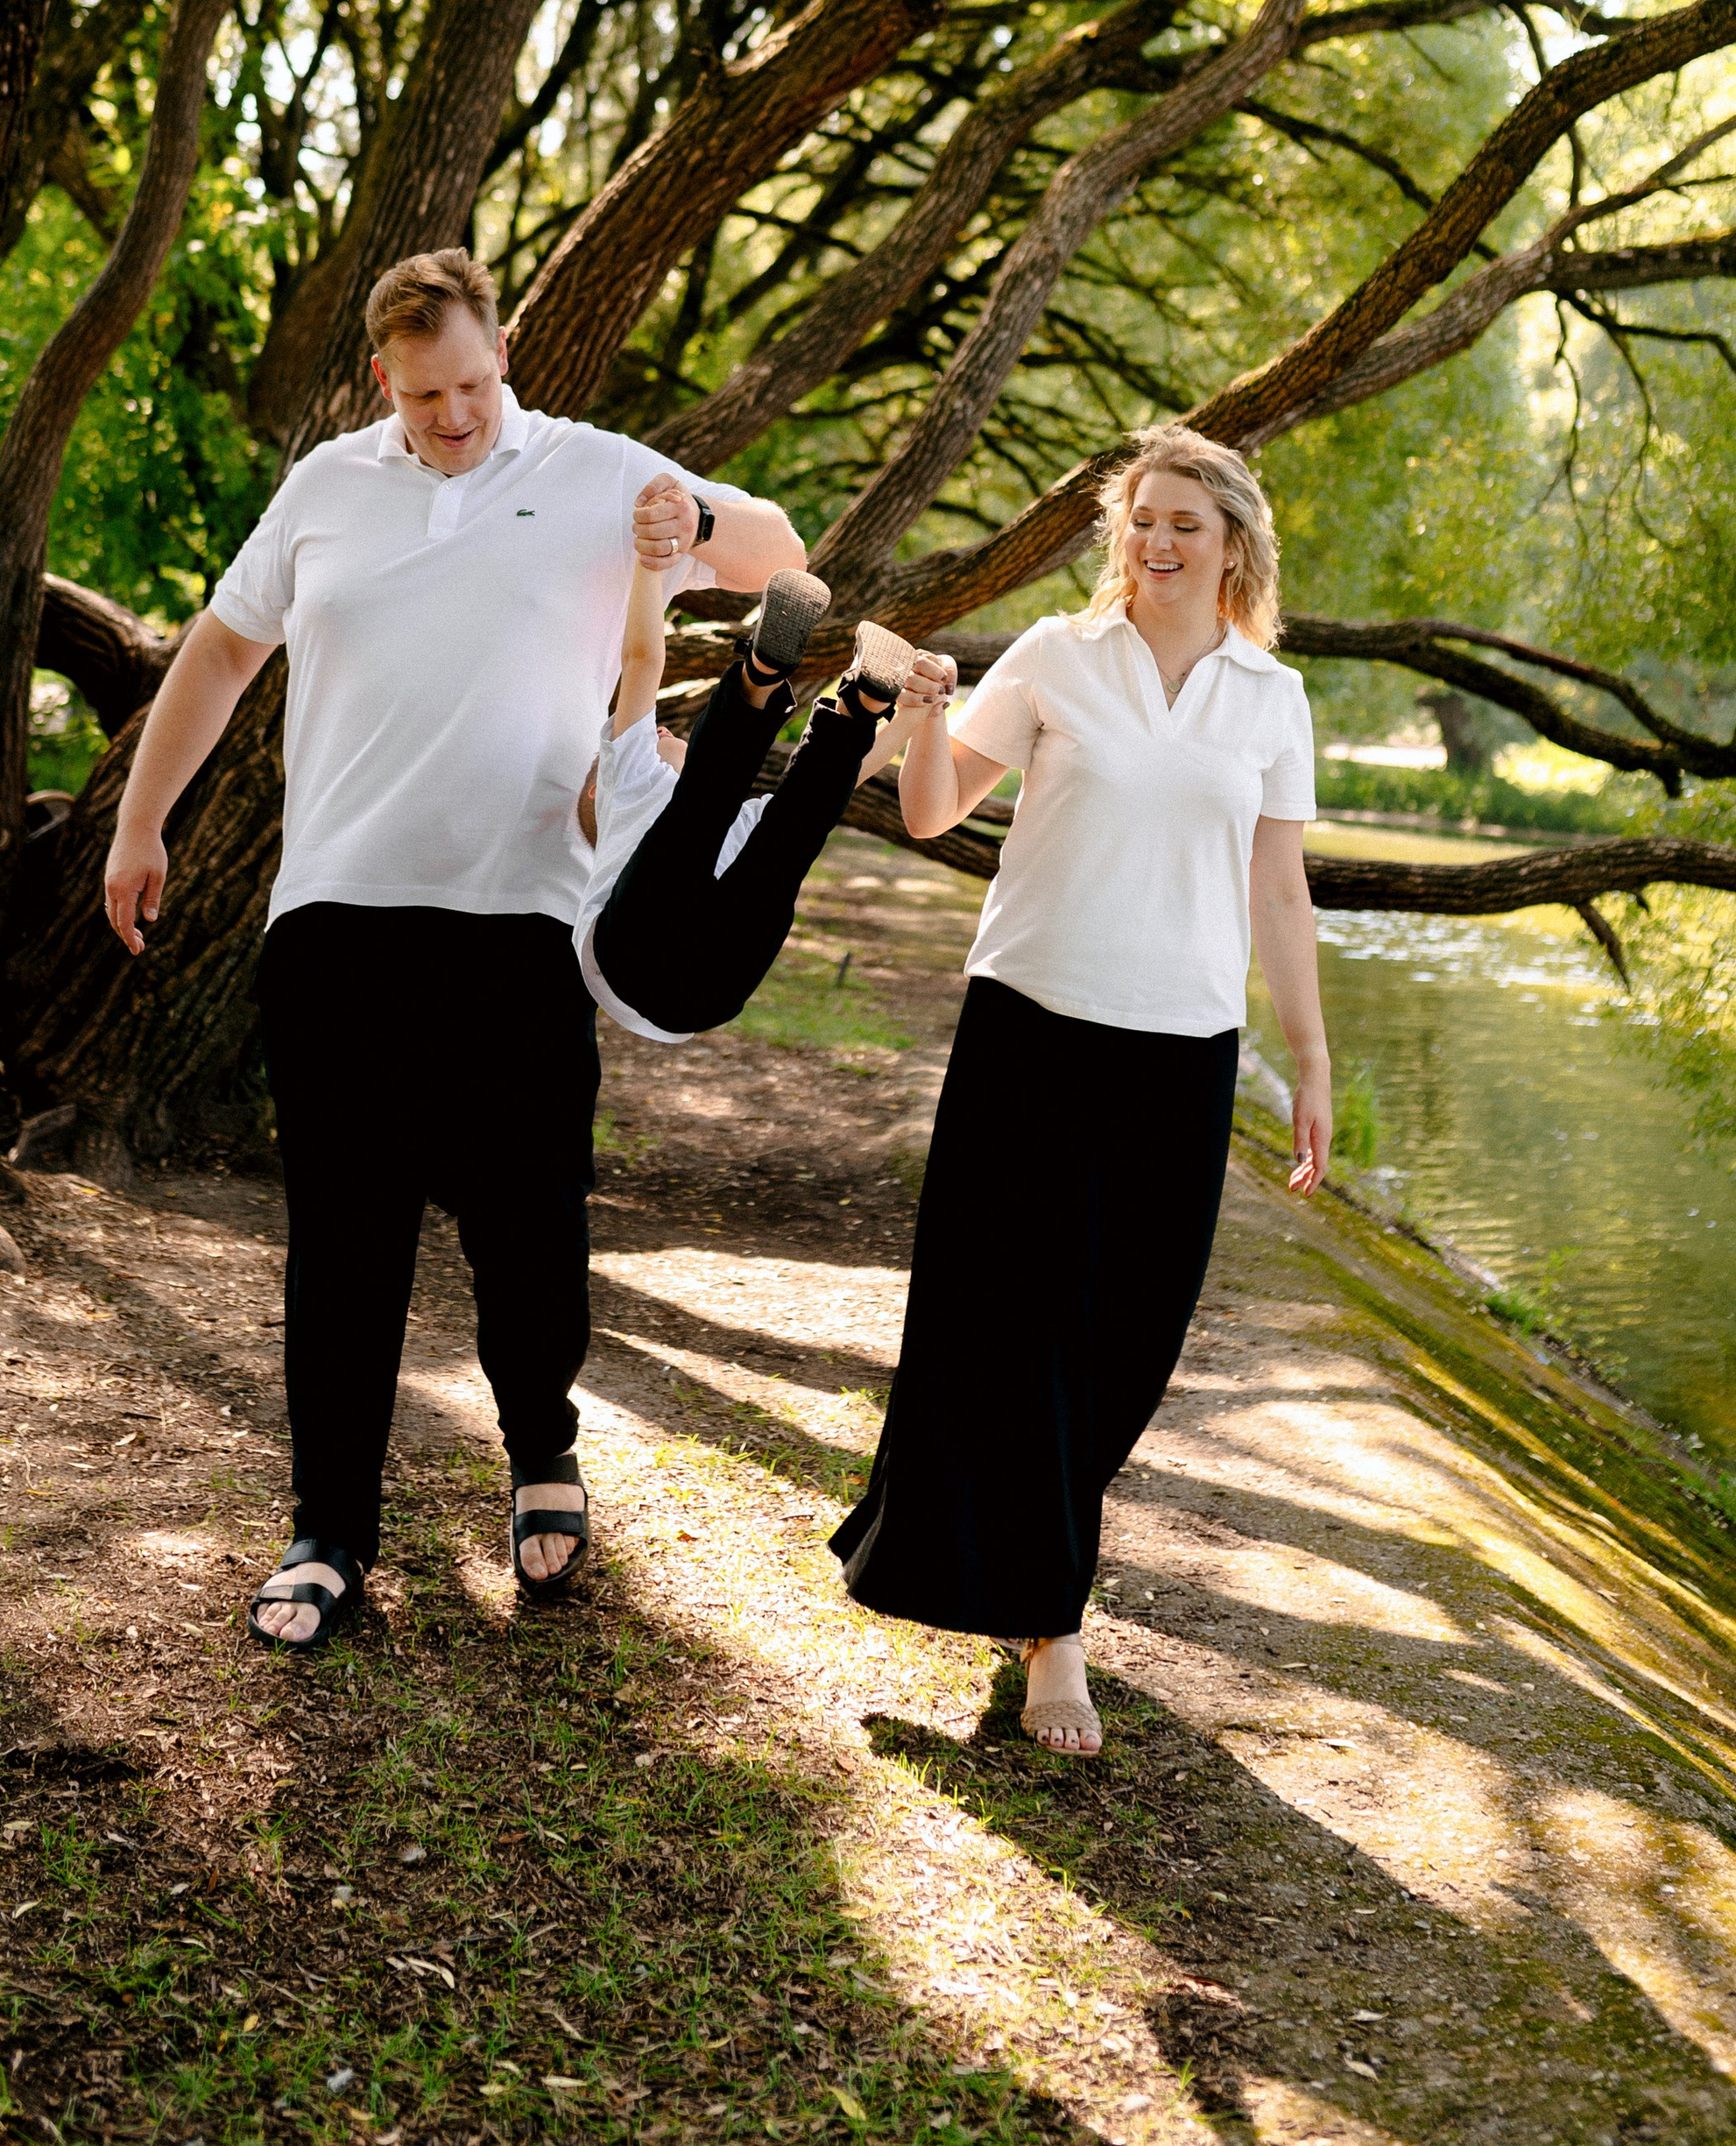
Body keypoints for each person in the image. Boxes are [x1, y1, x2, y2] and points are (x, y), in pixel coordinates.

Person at [101, 247, 805, 1648]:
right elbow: (224, 652)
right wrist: (141, 823)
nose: (458, 415)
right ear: (386, 379)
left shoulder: (597, 469)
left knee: (529, 1234)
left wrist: (699, 509)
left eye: (477, 384)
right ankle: (327, 1532)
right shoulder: (327, 491)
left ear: (504, 360)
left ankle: (541, 1449)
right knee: (342, 1243)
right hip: (337, 921)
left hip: (520, 922)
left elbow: (782, 558)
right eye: (429, 395)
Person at [829, 422, 1332, 1756]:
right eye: (1144, 520)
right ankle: (1057, 1631)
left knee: (1124, 1351)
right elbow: (935, 813)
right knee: (1010, 1325)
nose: (1159, 543)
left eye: (1187, 525)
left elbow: (1277, 889)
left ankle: (1031, 1577)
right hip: (1032, 1029)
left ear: (1234, 548)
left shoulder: (1269, 699)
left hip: (1180, 1050)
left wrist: (1314, 1064)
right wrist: (925, 720)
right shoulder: (1058, 655)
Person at [576, 558, 952, 1044]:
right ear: (596, 788)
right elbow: (644, 662)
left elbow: (827, 789)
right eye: (658, 731)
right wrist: (649, 566)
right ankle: (797, 686)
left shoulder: (636, 786)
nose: (660, 727)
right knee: (758, 826)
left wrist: (903, 716)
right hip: (653, 962)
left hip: (698, 989)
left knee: (767, 828)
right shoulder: (629, 779)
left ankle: (804, 686)